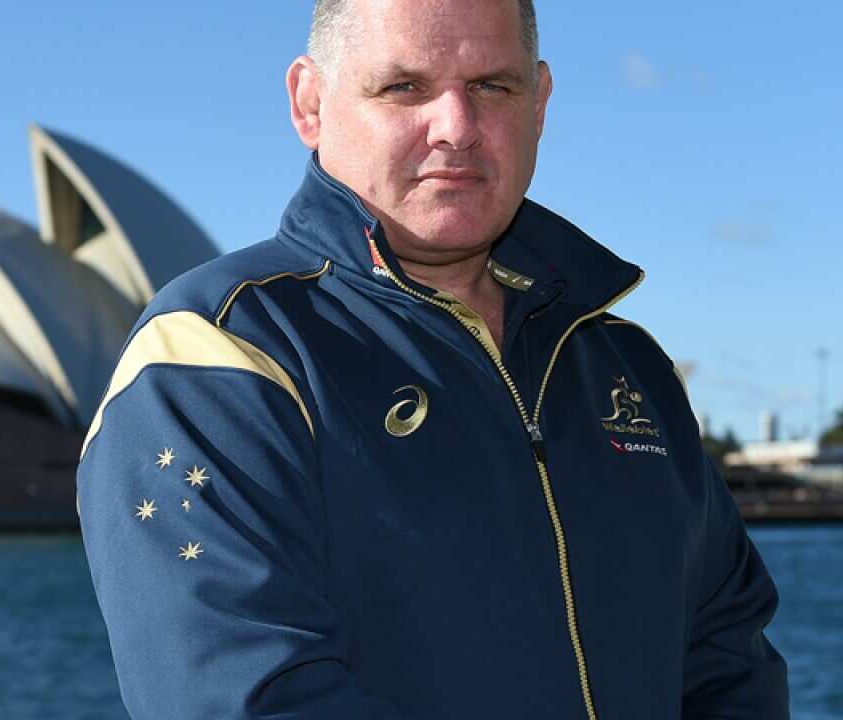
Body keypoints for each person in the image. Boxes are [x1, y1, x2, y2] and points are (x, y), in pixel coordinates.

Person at [77, 0, 790, 717]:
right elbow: (250, 700)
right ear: (310, 103)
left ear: (538, 104)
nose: (455, 127)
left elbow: (729, 665)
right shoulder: (217, 357)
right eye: (404, 88)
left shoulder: (622, 365)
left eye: (492, 87)